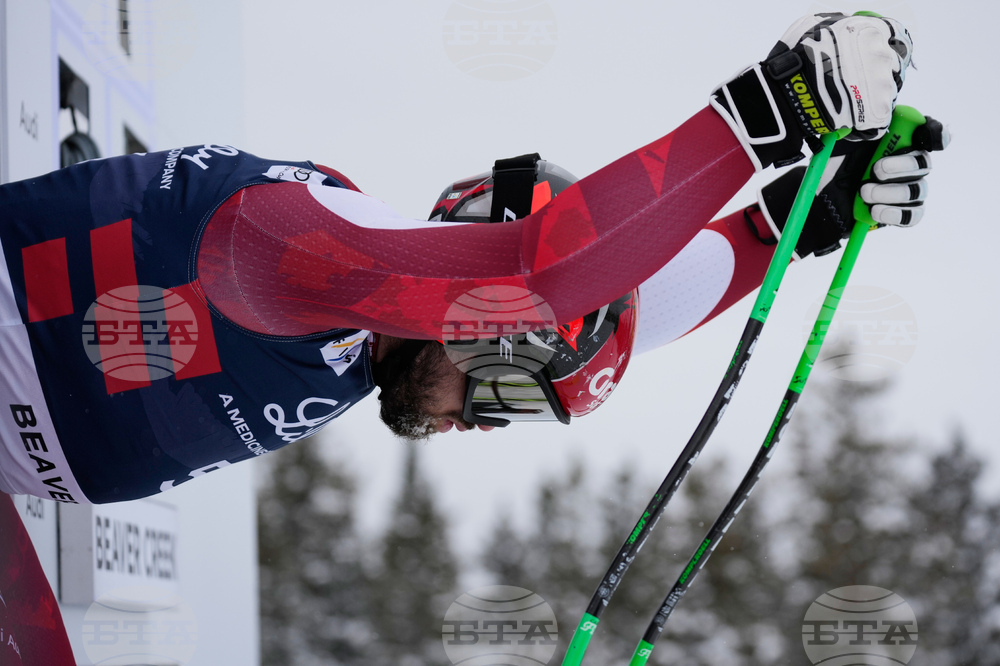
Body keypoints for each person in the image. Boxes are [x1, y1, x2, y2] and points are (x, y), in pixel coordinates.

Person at [0, 12, 940, 504]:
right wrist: (766, 118)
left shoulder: (354, 340)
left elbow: (626, 309)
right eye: (503, 394)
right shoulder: (292, 257)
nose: (479, 428)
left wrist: (787, 226)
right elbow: (542, 278)